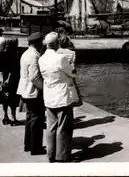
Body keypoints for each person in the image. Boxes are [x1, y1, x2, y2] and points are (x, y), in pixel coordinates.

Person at [39, 32, 78, 163]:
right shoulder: (60, 58)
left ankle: (51, 154)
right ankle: (62, 156)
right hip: (62, 95)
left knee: (51, 127)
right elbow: (72, 73)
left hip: (49, 96)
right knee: (64, 127)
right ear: (56, 44)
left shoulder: (41, 59)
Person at [17, 32, 46, 155]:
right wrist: (43, 87)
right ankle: (36, 147)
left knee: (30, 119)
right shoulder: (34, 56)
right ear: (38, 43)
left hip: (25, 90)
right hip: (33, 91)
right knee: (37, 120)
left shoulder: (25, 54)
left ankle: (28, 144)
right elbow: (34, 77)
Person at [0, 38, 22, 126]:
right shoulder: (16, 55)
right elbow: (14, 69)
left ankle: (5, 116)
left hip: (3, 78)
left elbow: (0, 68)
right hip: (12, 79)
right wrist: (8, 78)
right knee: (13, 99)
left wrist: (2, 79)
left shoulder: (2, 54)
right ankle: (13, 118)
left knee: (4, 97)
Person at [57, 35, 83, 108]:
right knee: (72, 92)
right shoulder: (72, 53)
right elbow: (73, 67)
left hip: (58, 75)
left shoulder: (56, 52)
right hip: (69, 75)